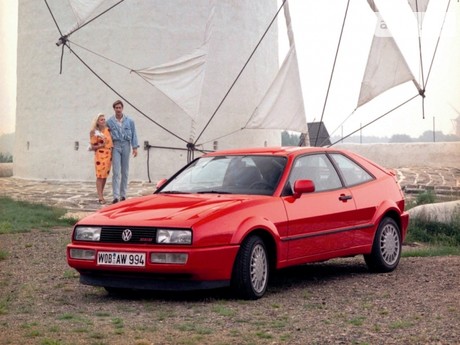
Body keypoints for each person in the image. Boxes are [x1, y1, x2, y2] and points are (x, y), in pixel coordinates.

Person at [106, 100, 139, 204]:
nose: (118, 109)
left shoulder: (130, 121)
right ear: (114, 109)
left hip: (126, 145)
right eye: (116, 108)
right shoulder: (110, 121)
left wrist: (135, 147)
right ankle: (115, 196)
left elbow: (134, 134)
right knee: (116, 171)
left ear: (122, 108)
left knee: (125, 171)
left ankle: (123, 195)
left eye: (120, 107)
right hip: (115, 146)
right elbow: (106, 135)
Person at [89, 113, 113, 204]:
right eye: (101, 119)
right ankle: (100, 196)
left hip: (108, 155)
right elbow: (92, 146)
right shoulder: (94, 132)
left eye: (104, 119)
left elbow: (111, 143)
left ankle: (101, 194)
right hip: (100, 155)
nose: (103, 121)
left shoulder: (108, 130)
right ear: (97, 122)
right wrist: (101, 145)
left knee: (105, 176)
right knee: (100, 176)